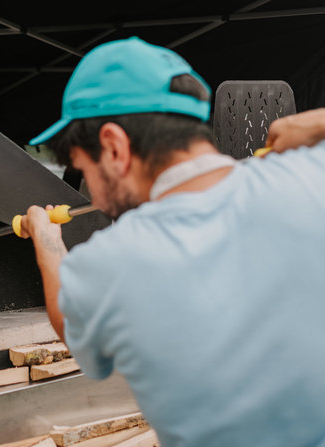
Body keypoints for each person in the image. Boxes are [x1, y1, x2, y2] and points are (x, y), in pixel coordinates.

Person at [18, 37, 325, 447]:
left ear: (114, 146)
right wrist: (318, 123)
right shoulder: (309, 177)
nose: (90, 191)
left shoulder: (113, 261)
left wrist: (46, 237)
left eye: (83, 168)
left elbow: (69, 322)